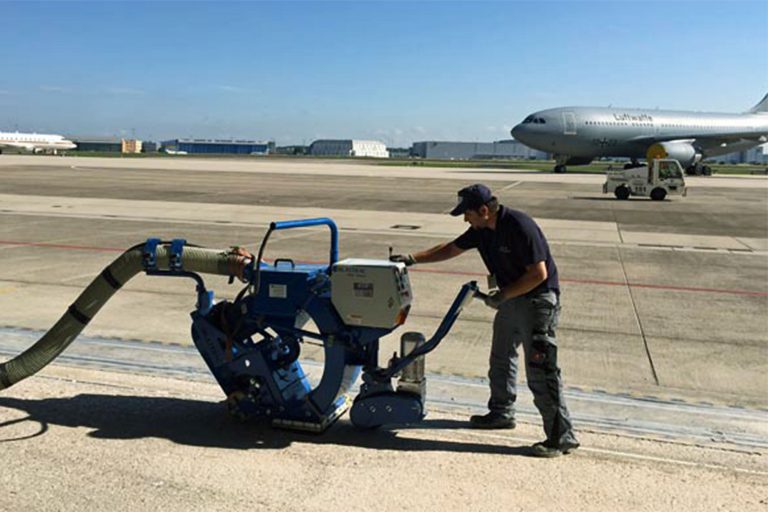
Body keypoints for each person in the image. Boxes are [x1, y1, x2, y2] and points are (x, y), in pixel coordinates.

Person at [390, 184, 579, 457]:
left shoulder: (519, 226)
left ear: (483, 210)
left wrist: (502, 296)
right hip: (512, 299)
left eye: (467, 214)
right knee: (501, 357)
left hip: (537, 302)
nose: (466, 220)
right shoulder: (482, 231)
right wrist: (412, 259)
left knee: (541, 368)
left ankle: (561, 437)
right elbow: (450, 249)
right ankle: (501, 413)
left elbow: (538, 274)